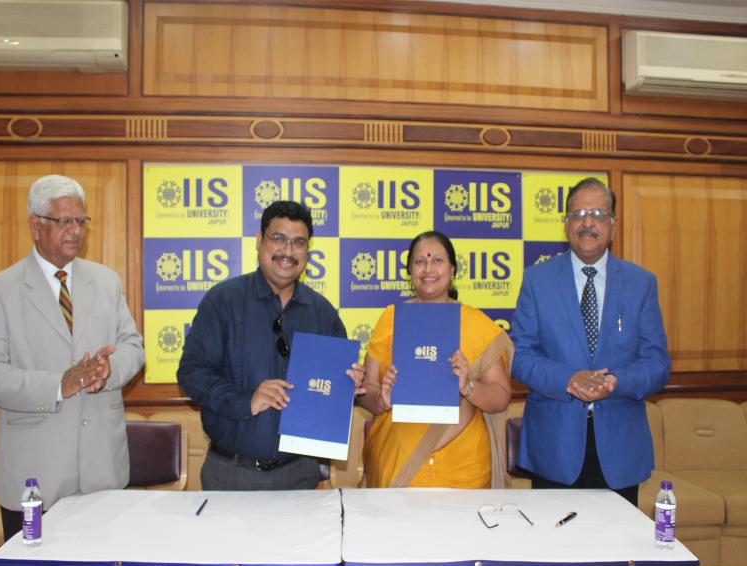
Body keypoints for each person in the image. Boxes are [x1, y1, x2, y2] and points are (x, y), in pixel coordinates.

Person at [0, 174, 145, 542]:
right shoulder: (1, 290)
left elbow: (132, 346)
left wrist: (109, 371)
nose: (75, 231)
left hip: (102, 473)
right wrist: (59, 385)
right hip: (35, 479)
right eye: (64, 221)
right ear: (36, 225)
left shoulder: (106, 281)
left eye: (80, 220)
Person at [177, 201, 365, 491]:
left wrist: (347, 387)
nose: (288, 251)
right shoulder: (223, 301)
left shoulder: (323, 313)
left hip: (300, 475)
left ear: (307, 251)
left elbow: (331, 390)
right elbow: (191, 374)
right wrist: (246, 399)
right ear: (259, 240)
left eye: (298, 243)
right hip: (231, 474)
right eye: (278, 238)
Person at [511, 177, 670, 507]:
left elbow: (657, 364)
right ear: (566, 224)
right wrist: (569, 379)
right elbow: (520, 356)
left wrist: (615, 381)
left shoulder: (641, 283)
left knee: (617, 540)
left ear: (613, 225)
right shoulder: (537, 280)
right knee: (553, 539)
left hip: (619, 449)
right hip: (554, 446)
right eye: (578, 214)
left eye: (597, 214)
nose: (587, 223)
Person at [358, 231, 512, 489]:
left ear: (452, 270)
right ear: (409, 271)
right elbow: (366, 390)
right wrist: (381, 400)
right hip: (396, 466)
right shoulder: (390, 319)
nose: (428, 268)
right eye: (420, 261)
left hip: (465, 471)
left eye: (437, 260)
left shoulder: (477, 325)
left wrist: (468, 387)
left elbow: (501, 396)